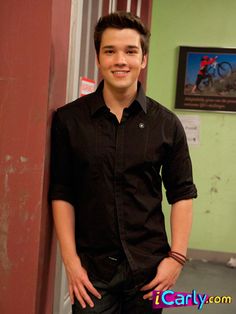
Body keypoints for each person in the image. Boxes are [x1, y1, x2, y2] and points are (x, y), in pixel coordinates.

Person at [49, 11, 197, 314]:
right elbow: (62, 192)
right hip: (92, 274)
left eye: (130, 51)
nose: (120, 60)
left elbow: (182, 193)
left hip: (149, 271)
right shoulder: (69, 121)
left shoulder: (166, 124)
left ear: (143, 59)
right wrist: (71, 263)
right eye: (110, 51)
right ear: (99, 58)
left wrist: (176, 258)